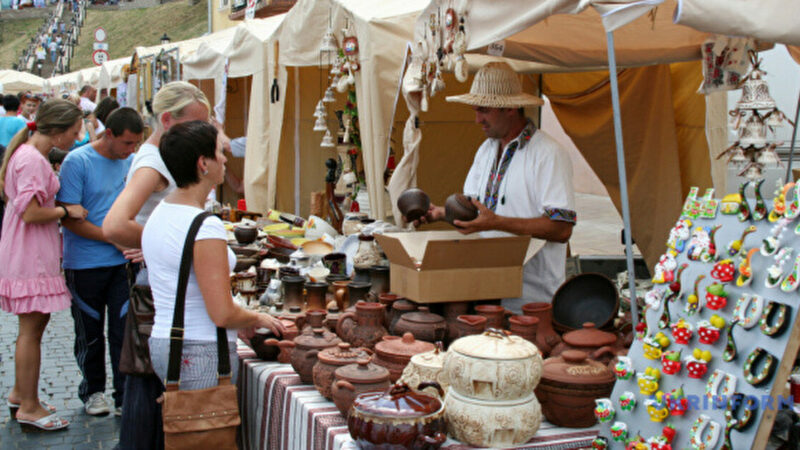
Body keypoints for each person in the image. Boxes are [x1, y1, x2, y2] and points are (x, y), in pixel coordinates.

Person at [102, 81, 214, 450]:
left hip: (159, 283)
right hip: (161, 289)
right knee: (154, 388)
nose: (204, 132)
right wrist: (162, 243)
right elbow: (115, 224)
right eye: (196, 124)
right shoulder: (156, 162)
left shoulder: (160, 153)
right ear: (166, 120)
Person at [416, 62, 576, 314]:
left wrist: (496, 222)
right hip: (485, 293)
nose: (477, 119)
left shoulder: (548, 154)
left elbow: (562, 228)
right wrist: (439, 214)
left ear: (510, 107)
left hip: (530, 303)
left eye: (484, 110)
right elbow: (477, 215)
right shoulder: (486, 150)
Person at [144, 120, 284, 391]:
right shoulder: (204, 225)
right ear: (203, 163)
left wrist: (239, 319)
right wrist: (257, 318)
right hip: (199, 350)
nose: (224, 158)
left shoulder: (162, 211)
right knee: (209, 431)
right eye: (219, 152)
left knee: (190, 430)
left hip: (169, 340)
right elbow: (221, 313)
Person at [0, 99, 88, 431]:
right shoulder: (33, 160)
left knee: (33, 328)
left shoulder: (27, 154)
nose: (77, 137)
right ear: (60, 130)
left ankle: (20, 394)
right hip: (30, 252)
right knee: (30, 331)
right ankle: (30, 406)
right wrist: (67, 212)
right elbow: (31, 212)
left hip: (27, 249)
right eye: (75, 131)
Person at [57, 107, 144, 417]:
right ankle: (93, 391)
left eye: (135, 144)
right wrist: (114, 237)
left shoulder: (132, 163)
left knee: (124, 331)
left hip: (122, 264)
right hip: (84, 264)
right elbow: (70, 218)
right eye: (126, 143)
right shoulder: (77, 162)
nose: (131, 150)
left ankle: (124, 394)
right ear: (109, 134)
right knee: (89, 332)